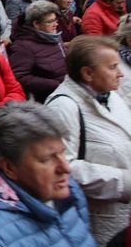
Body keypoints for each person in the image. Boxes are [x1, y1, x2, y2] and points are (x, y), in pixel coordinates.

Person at [0, 101, 94, 246]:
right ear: (9, 167)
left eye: (62, 153)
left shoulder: (70, 190)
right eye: (46, 159)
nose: (66, 169)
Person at [46, 35, 131, 245]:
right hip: (99, 223)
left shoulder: (110, 94)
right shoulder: (63, 107)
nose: (120, 73)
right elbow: (63, 168)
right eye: (112, 67)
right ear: (87, 73)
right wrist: (126, 182)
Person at [8, 1, 67, 103]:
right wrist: (55, 85)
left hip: (64, 92)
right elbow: (19, 77)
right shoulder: (23, 45)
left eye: (56, 20)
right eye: (50, 21)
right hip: (44, 101)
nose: (55, 24)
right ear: (36, 24)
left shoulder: (54, 35)